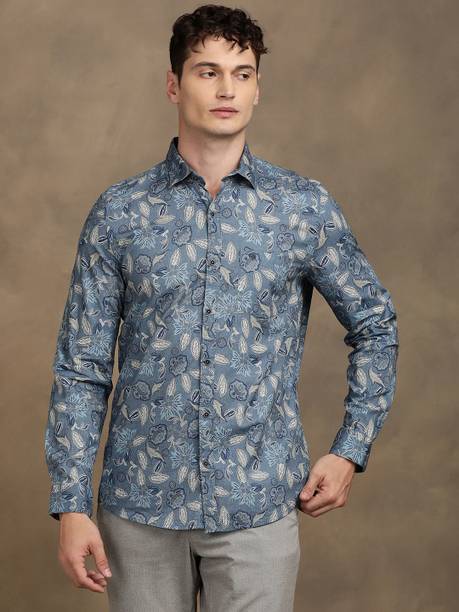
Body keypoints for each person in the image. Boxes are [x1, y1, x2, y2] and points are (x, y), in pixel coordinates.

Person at [44, 4, 399, 611]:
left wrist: (350, 449)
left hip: (257, 506)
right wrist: (71, 504)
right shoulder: (120, 214)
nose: (226, 89)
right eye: (207, 72)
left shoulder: (301, 208)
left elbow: (375, 325)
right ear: (173, 84)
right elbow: (82, 366)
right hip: (139, 511)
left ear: (258, 88)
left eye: (242, 73)